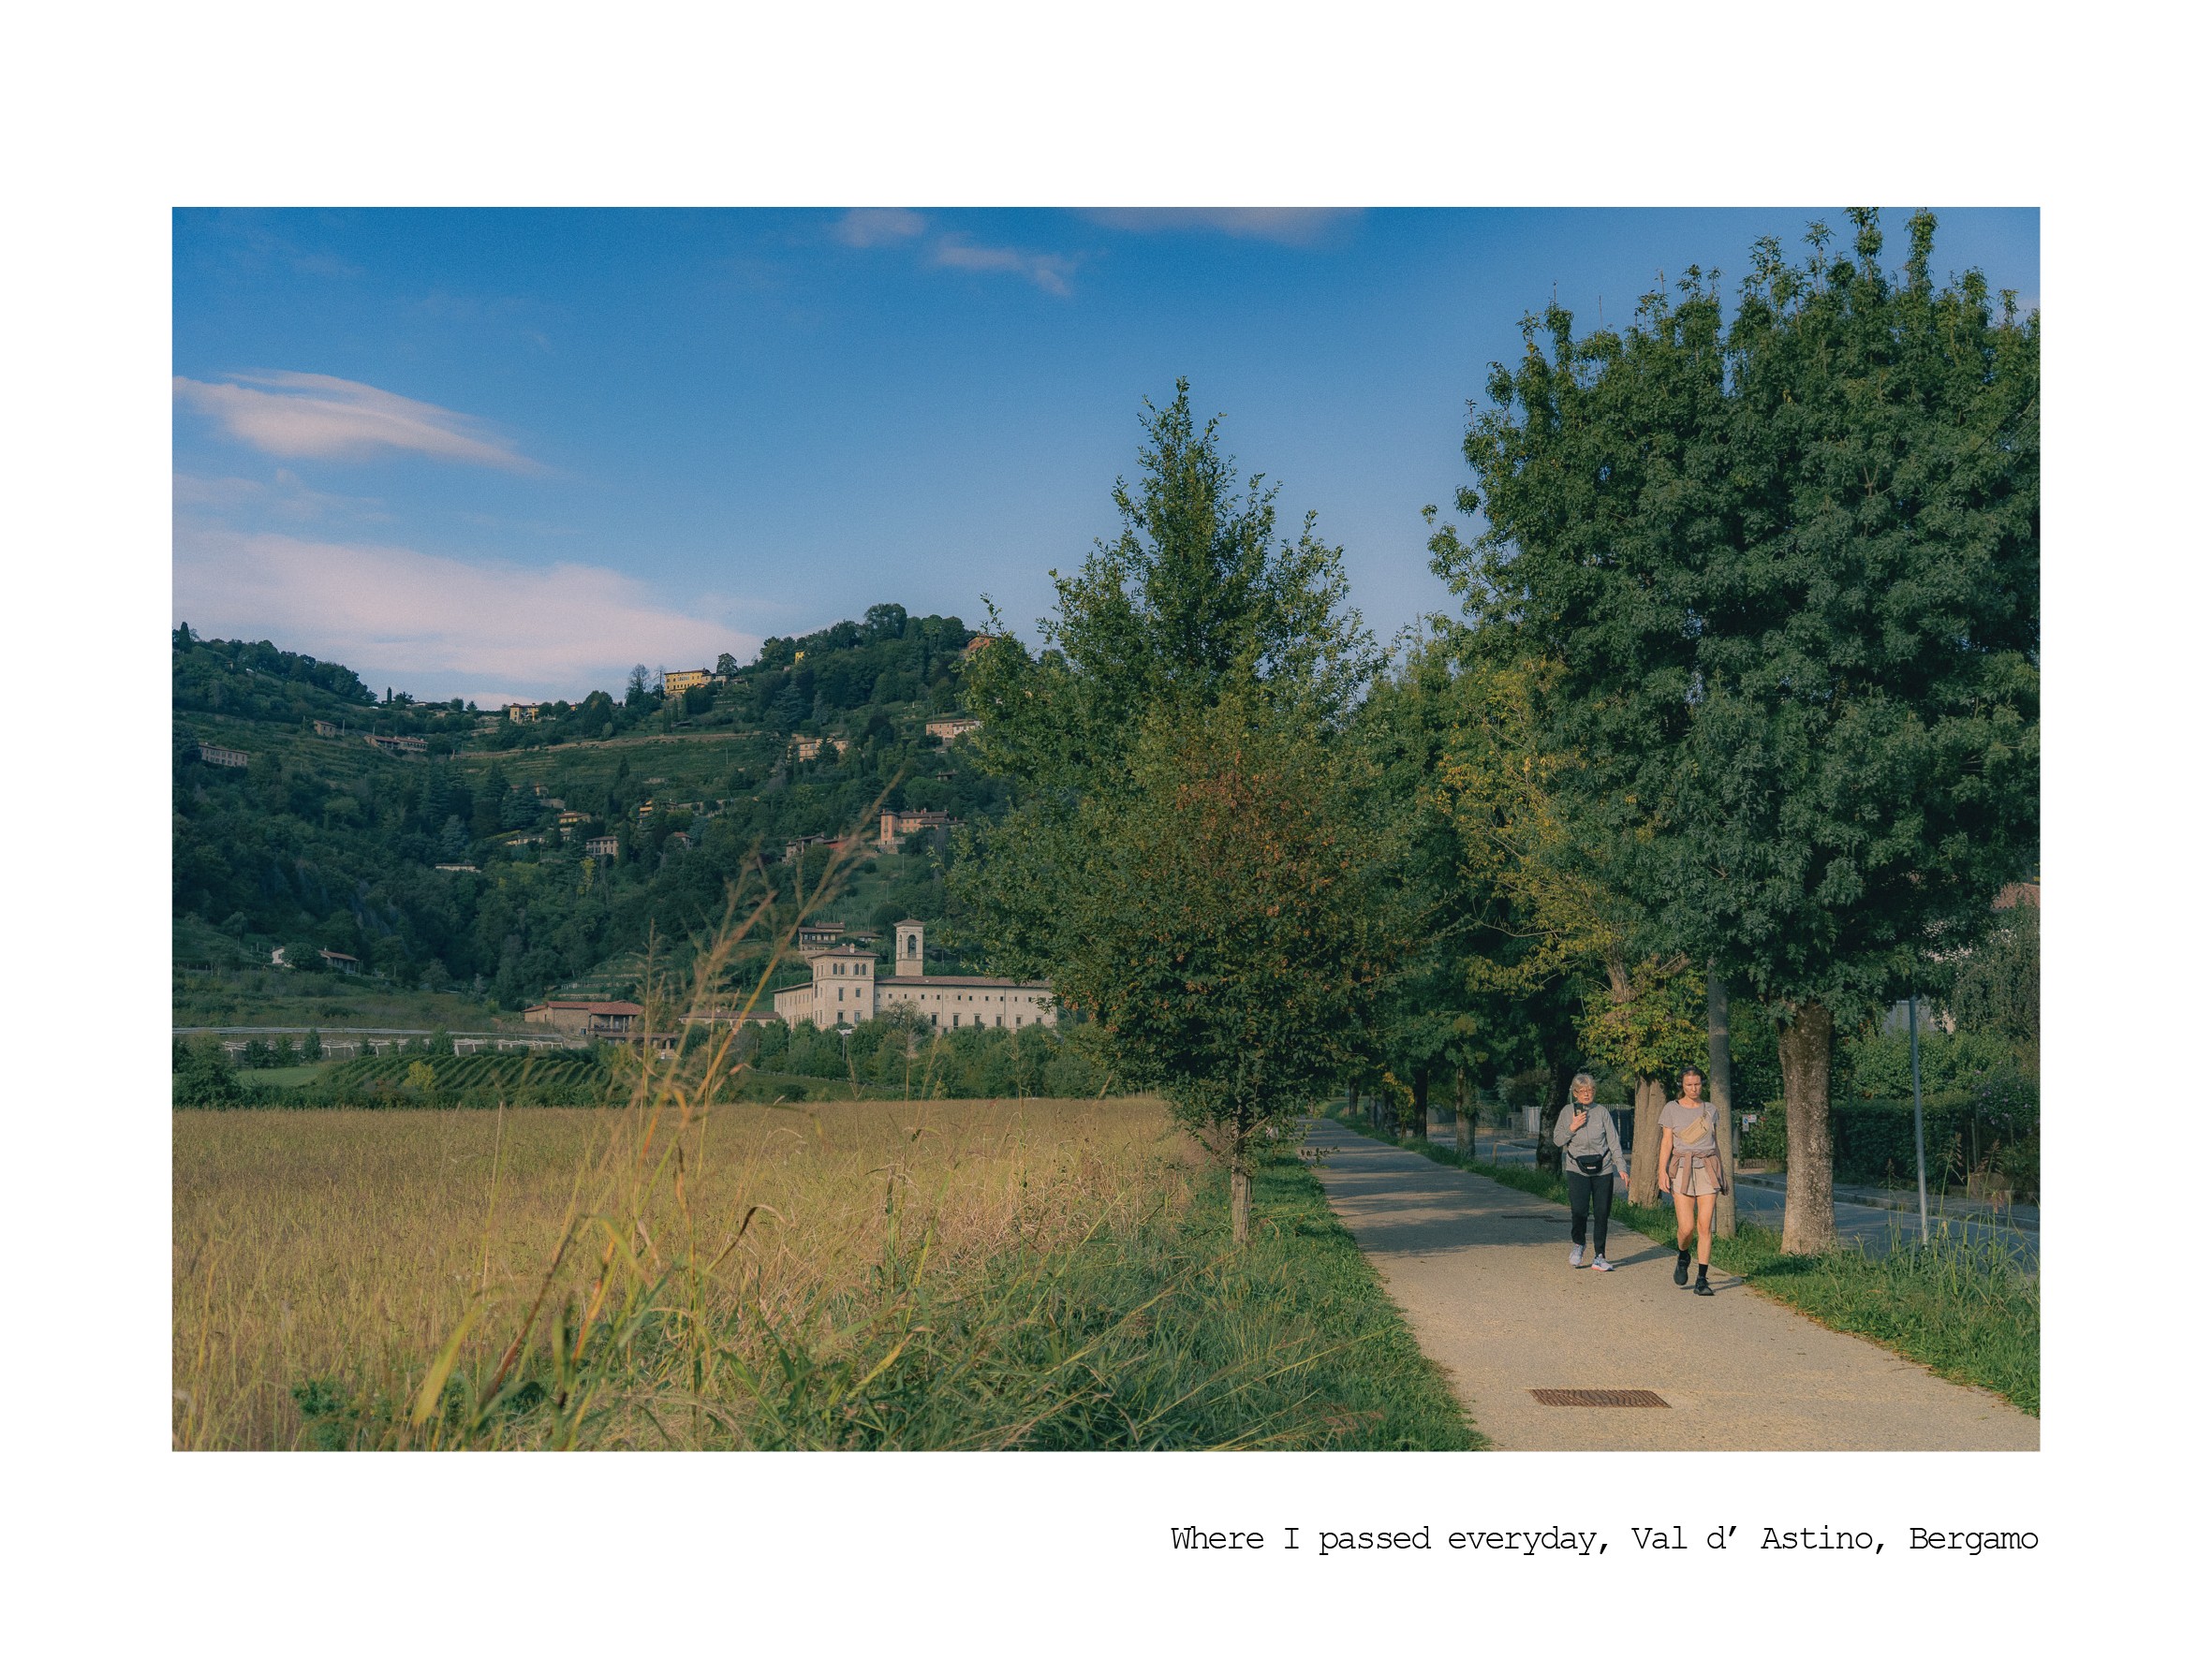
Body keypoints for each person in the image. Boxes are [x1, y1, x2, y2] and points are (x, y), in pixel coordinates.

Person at [1656, 1066, 1728, 1296]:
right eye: (1689, 1085)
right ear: (1682, 1086)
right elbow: (1667, 1142)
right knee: (1686, 1228)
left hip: (1707, 1168)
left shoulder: (1711, 1110)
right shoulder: (1671, 1109)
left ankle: (1702, 1279)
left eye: (1697, 1084)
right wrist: (1662, 1171)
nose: (1694, 1088)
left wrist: (1721, 1172)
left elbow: (1715, 1143)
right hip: (1682, 1169)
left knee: (1705, 1226)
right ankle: (1683, 1255)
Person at [1552, 1071, 1629, 1272]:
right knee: (1579, 1211)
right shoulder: (1567, 1112)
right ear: (1575, 1093)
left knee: (1602, 1213)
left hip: (1603, 1168)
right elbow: (1558, 1140)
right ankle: (1579, 1244)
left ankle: (1600, 1256)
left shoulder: (1602, 1112)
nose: (1587, 1094)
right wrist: (1572, 1127)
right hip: (1576, 1168)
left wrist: (1621, 1166)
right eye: (1582, 1091)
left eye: (1590, 1090)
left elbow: (1613, 1141)